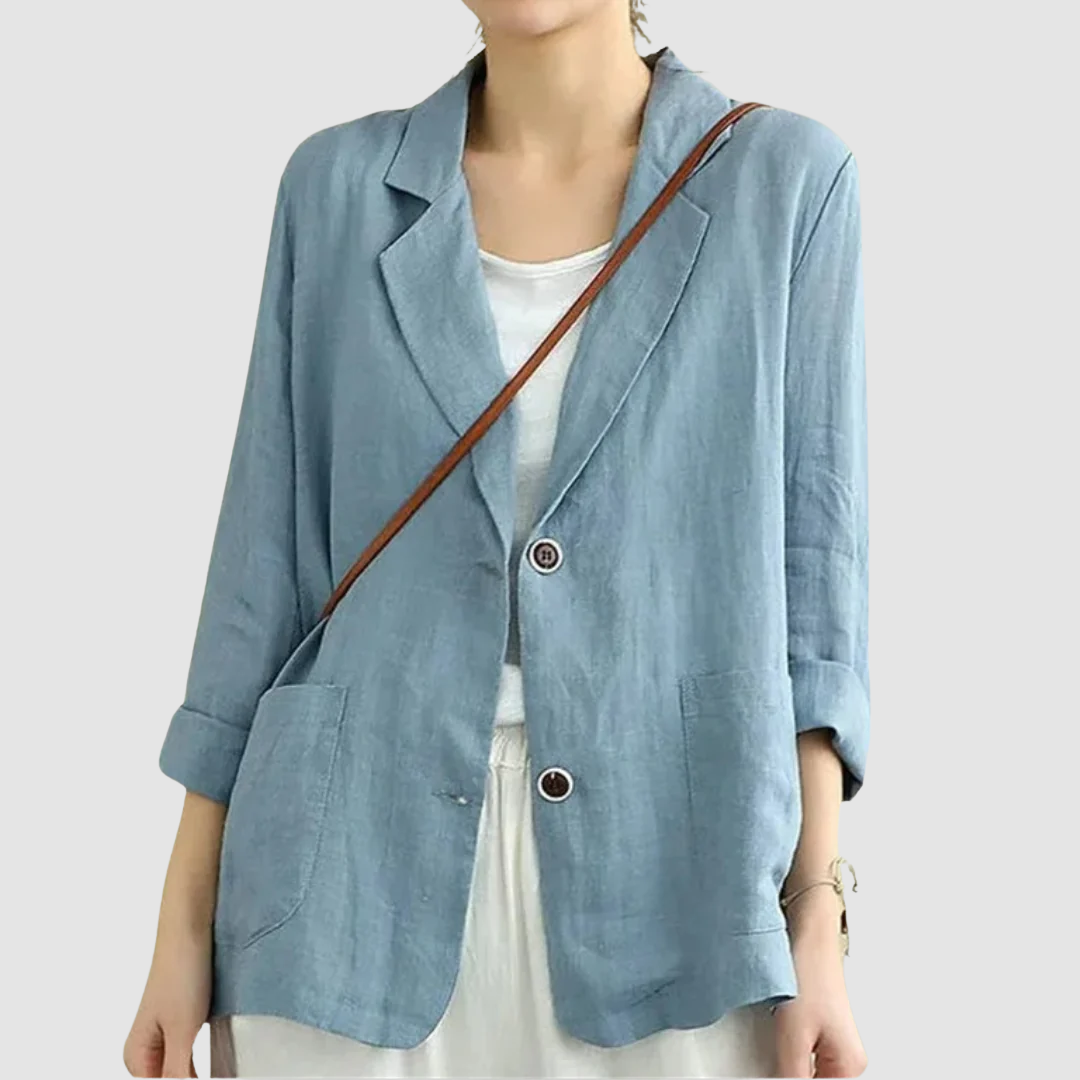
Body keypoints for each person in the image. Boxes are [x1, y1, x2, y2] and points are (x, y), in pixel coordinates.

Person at [124, 1, 870, 1076]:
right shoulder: (336, 189)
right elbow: (261, 574)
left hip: (683, 886)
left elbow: (816, 596)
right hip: (340, 892)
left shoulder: (786, 181)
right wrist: (180, 925)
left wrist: (817, 920)